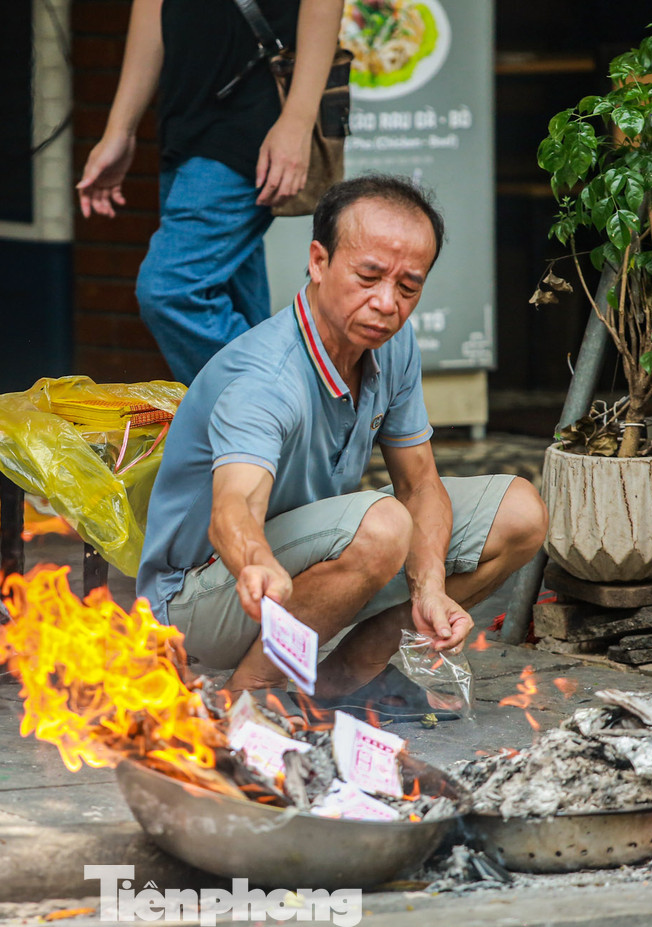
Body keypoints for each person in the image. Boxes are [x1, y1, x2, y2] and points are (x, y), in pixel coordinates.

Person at [136, 175, 548, 702]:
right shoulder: (266, 380)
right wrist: (256, 561)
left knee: (521, 513)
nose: (386, 303)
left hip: (310, 565)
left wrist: (431, 588)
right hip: (200, 600)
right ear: (318, 261)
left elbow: (420, 484)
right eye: (369, 276)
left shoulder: (391, 347)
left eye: (408, 286)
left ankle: (345, 676)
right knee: (381, 528)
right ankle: (250, 693)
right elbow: (234, 505)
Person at [76, 0, 344, 385]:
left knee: (172, 290)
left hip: (254, 114)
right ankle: (265, 438)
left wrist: (298, 120)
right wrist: (120, 128)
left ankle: (289, 398)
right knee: (237, 305)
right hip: (185, 116)